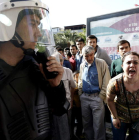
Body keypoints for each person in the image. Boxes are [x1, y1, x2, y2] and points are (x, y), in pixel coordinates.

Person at [0, 0, 67, 140]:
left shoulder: (36, 66)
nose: (38, 33)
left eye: (38, 25)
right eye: (32, 24)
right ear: (7, 27)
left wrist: (56, 85)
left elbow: (60, 109)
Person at [78, 46, 111, 140]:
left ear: (94, 53)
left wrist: (101, 96)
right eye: (86, 56)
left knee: (98, 124)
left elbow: (106, 80)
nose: (89, 58)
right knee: (86, 123)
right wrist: (80, 94)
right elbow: (80, 79)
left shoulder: (101, 63)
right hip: (84, 97)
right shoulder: (82, 65)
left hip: (97, 97)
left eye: (91, 55)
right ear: (83, 55)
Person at [107, 52, 139, 140]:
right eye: (128, 62)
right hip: (120, 118)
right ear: (122, 66)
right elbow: (110, 100)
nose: (132, 65)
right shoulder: (115, 82)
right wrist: (114, 117)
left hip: (138, 120)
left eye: (136, 62)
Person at [59, 54, 76, 140]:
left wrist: (72, 100)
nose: (60, 62)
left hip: (67, 103)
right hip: (55, 106)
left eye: (61, 60)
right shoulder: (49, 72)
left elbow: (73, 86)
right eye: (57, 60)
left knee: (69, 124)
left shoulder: (67, 71)